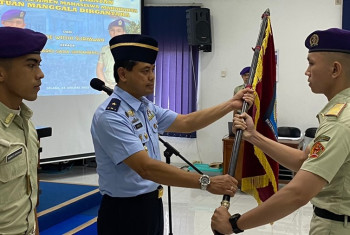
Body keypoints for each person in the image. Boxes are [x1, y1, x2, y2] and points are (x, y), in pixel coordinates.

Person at [90, 34, 255, 235]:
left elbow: (185, 122)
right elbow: (146, 168)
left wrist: (231, 104)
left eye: (152, 70)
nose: (152, 77)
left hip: (151, 204)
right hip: (124, 212)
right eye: (145, 71)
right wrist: (207, 182)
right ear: (123, 74)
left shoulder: (144, 106)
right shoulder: (111, 116)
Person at [211, 28, 350, 235]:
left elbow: (298, 193)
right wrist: (253, 136)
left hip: (336, 226)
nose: (307, 71)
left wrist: (234, 224)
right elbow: (304, 160)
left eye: (311, 63)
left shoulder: (340, 121)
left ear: (335, 69)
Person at [0, 27, 47, 235]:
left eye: (38, 65)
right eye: (31, 65)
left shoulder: (26, 123)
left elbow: (29, 197)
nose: (40, 74)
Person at [96, 18, 126, 89]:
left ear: (124, 32)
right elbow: (99, 69)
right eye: (112, 30)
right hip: (107, 86)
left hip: (123, 88)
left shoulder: (128, 49)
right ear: (109, 32)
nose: (115, 33)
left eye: (118, 30)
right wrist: (104, 87)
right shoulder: (104, 49)